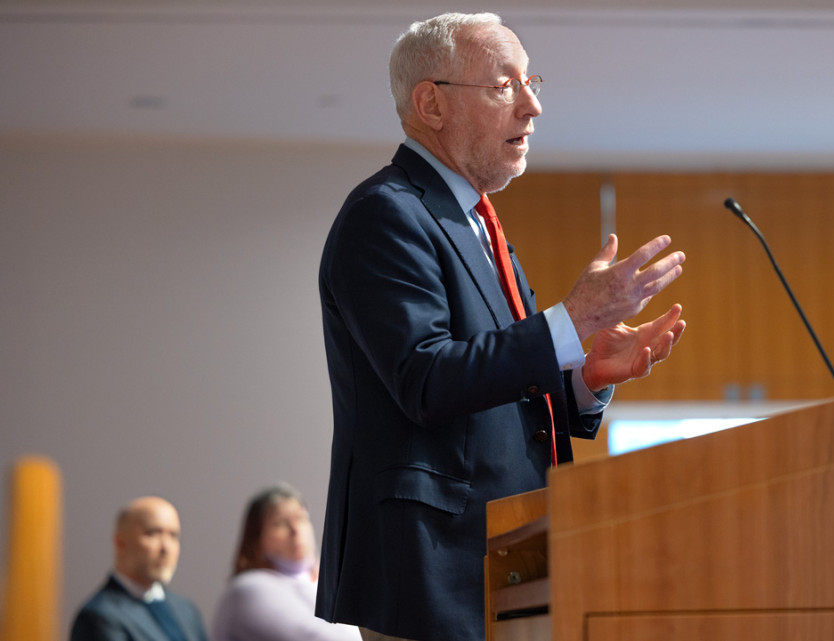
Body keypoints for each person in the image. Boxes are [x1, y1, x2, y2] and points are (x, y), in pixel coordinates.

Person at [316, 12, 686, 641]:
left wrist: (581, 381)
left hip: (504, 556)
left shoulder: (478, 224)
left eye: (530, 81)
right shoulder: (387, 215)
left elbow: (494, 390)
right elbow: (426, 379)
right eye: (503, 85)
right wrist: (570, 320)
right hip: (433, 568)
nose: (533, 106)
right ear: (431, 103)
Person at [211, 484, 357, 641]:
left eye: (301, 518)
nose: (296, 530)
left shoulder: (331, 586)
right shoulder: (247, 589)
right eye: (280, 523)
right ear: (256, 539)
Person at [70, 496, 209, 641]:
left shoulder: (186, 610)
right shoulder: (98, 617)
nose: (166, 547)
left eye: (173, 535)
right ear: (120, 542)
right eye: (153, 533)